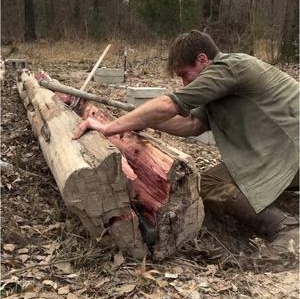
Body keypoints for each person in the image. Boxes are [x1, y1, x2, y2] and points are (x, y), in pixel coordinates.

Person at [73, 30, 299, 253]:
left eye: (184, 74)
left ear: (202, 60)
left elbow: (169, 104)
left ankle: (287, 229)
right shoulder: (219, 84)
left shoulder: (229, 68)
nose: (183, 83)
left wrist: (109, 128)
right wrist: (146, 121)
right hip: (279, 150)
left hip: (291, 148)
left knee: (211, 184)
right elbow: (192, 124)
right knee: (209, 183)